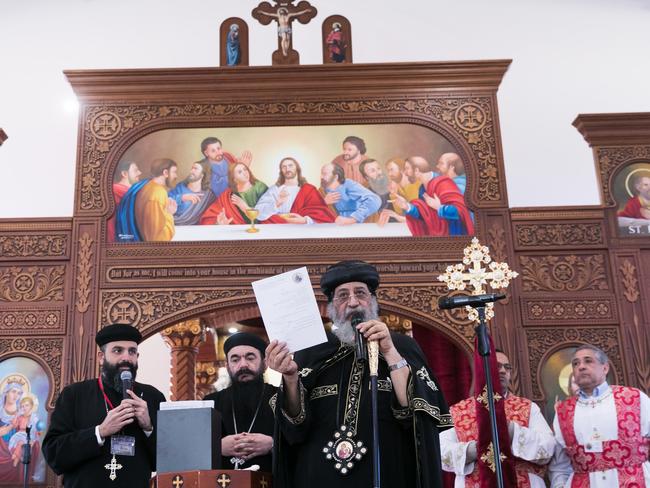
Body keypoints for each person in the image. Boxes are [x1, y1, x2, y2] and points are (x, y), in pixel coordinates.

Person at [267, 260, 451, 487]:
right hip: (319, 476)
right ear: (332, 307)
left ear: (373, 301)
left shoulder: (401, 346)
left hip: (388, 472)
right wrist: (291, 378)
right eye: (343, 296)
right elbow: (295, 426)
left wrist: (389, 351)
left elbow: (416, 415)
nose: (353, 302)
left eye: (360, 293)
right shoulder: (311, 351)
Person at [42, 324, 166, 488]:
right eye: (117, 350)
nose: (126, 358)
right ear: (101, 357)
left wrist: (148, 427)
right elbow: (54, 454)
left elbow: (165, 461)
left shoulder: (153, 397)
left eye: (132, 351)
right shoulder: (74, 395)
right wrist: (100, 432)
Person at [440, 350, 556, 487]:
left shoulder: (528, 408)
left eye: (507, 367)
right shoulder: (459, 411)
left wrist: (512, 431)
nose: (502, 371)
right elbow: (442, 454)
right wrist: (475, 449)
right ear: (481, 371)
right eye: (497, 365)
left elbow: (548, 448)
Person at [549, 344, 650, 487]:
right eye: (576, 363)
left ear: (605, 368)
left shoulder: (635, 398)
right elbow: (560, 465)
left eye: (588, 361)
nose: (581, 366)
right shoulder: (563, 412)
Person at [203, 333, 277, 472]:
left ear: (265, 363)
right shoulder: (211, 402)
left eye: (250, 358)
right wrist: (216, 447)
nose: (243, 365)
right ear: (228, 366)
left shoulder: (280, 397)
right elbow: (195, 448)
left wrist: (273, 445)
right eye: (235, 360)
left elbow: (299, 440)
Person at [393, 156, 474, 236]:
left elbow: (461, 211)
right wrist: (407, 206)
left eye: (407, 169)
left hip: (454, 236)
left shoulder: (443, 183)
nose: (405, 173)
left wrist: (439, 207)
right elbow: (425, 215)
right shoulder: (422, 189)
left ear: (417, 170)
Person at [255, 157, 335, 224]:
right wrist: (277, 203)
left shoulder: (309, 189)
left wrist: (304, 220)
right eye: (284, 167)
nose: (287, 169)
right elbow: (257, 212)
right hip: (278, 229)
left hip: (303, 230)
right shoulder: (274, 190)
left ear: (297, 168)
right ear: (281, 171)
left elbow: (322, 213)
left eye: (290, 165)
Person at [200, 162, 268, 225]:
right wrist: (218, 223)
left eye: (245, 169)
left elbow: (267, 214)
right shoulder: (228, 195)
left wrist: (245, 208)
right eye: (240, 172)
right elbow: (211, 215)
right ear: (234, 179)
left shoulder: (260, 188)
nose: (245, 173)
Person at [168, 161, 215, 226]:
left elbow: (210, 216)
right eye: (192, 168)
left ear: (202, 174)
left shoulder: (208, 196)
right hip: (175, 227)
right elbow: (164, 202)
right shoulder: (179, 188)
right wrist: (182, 198)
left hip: (195, 231)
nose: (191, 171)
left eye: (195, 169)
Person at [108, 161, 142, 242]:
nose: (140, 172)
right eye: (135, 170)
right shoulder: (115, 190)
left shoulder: (132, 192)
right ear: (124, 174)